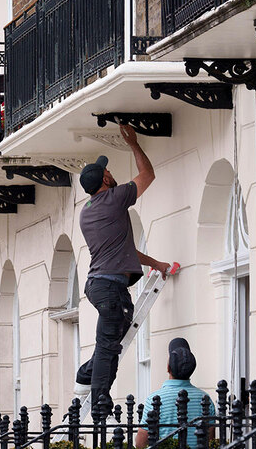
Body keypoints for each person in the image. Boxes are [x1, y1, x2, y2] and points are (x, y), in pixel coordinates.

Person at [74, 124, 171, 414]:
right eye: (108, 171)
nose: (112, 172)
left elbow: (124, 250)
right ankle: (100, 401)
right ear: (105, 178)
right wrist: (134, 143)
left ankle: (86, 374)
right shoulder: (114, 200)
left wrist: (156, 264)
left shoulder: (87, 211)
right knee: (108, 343)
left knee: (114, 336)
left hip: (99, 284)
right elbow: (148, 176)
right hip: (109, 286)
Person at [135, 338, 215, 449]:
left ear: (168, 368)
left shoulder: (155, 399)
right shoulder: (205, 399)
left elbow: (140, 443)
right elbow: (210, 441)